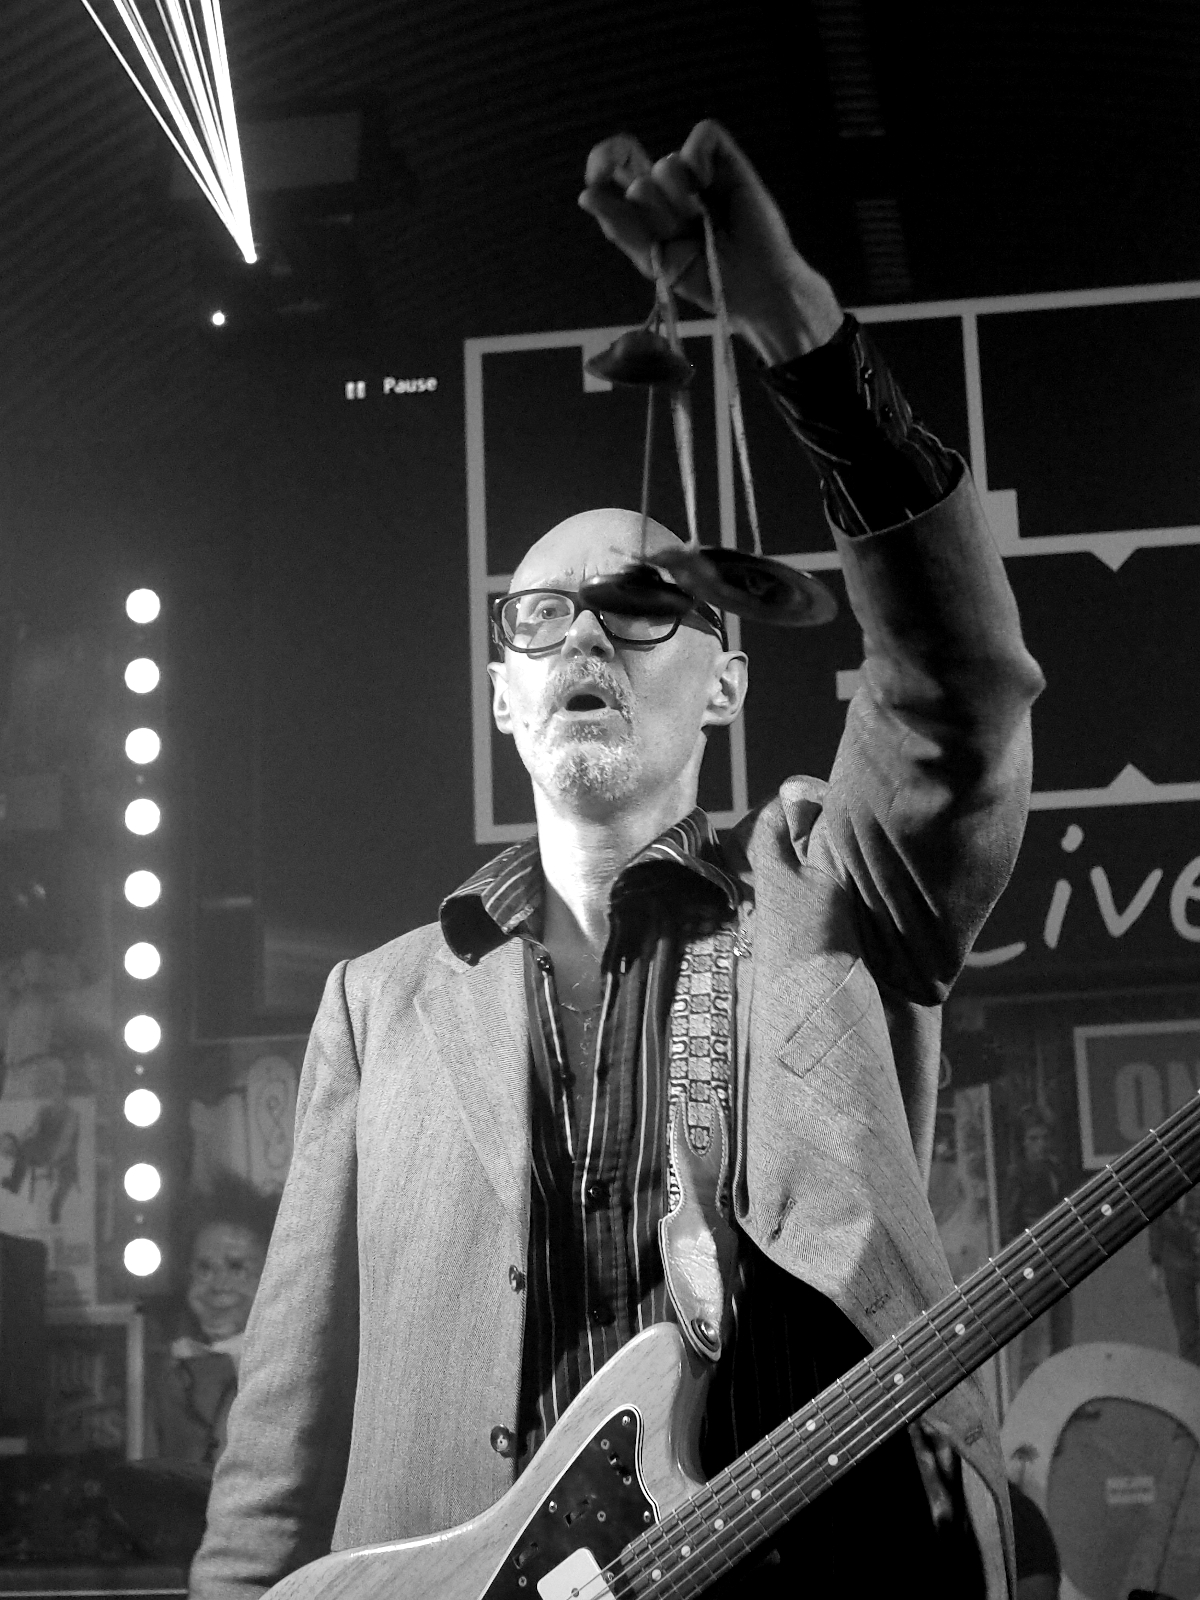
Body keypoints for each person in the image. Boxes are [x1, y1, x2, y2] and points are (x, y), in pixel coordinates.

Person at [190, 120, 1043, 1599]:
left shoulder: (828, 896)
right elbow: (284, 1428)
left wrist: (791, 327)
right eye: (542, 618)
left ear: (727, 679)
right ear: (503, 693)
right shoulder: (377, 1006)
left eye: (642, 605)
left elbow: (959, 691)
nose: (584, 633)